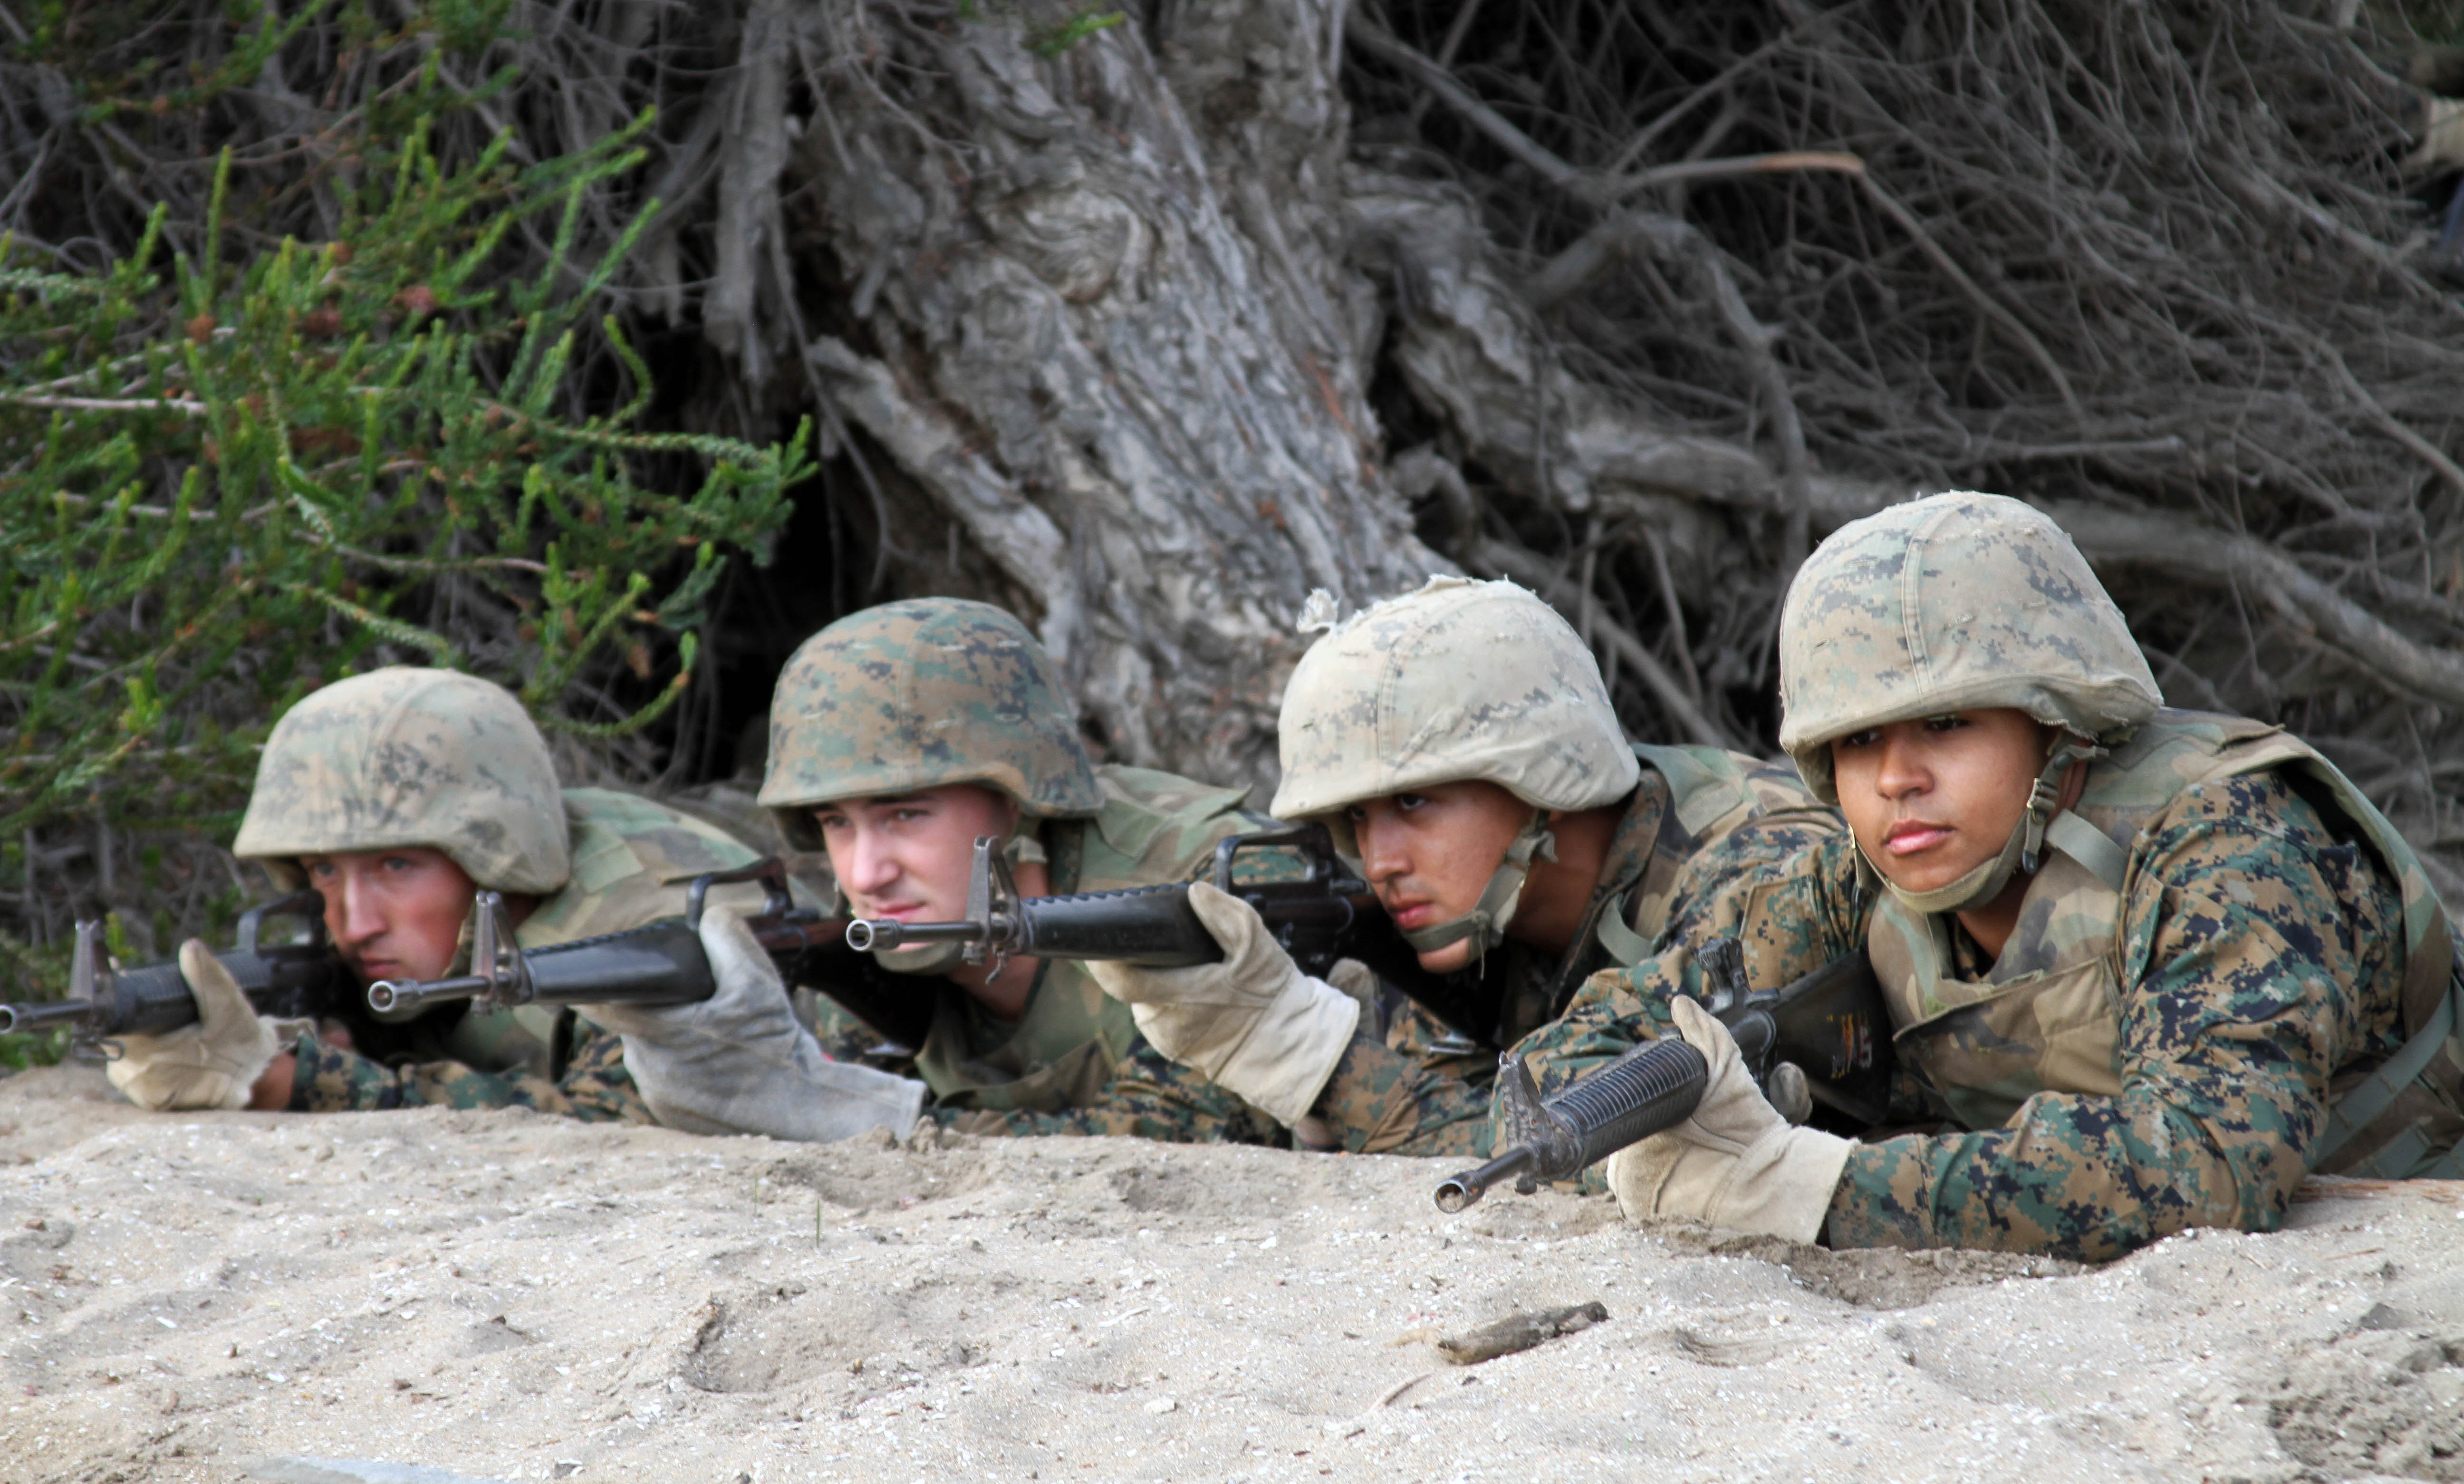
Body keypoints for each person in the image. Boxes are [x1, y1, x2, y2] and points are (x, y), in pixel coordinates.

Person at [1521, 491, 2464, 1262]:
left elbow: (2206, 1170)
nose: (1897, 779)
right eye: (1857, 741)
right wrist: (1689, 1124)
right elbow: (1571, 1063)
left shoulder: (2230, 843)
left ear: (2057, 723)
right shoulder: (1849, 884)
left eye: (1945, 725)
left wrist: (1812, 1184)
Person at [1085, 576, 1838, 1155]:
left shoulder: (1752, 879)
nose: (1379, 862)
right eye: (1356, 820)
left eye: (1413, 804)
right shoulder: (1481, 916)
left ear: (1546, 779)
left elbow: (1548, 1155)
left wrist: (1312, 1057)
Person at [103, 666, 923, 1140]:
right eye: (321, 870)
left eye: (395, 865)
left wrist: (305, 1083)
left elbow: (616, 1121)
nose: (353, 921)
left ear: (494, 852)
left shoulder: (645, 931)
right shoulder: (440, 928)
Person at [736, 597, 1308, 1142]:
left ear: (1019, 802)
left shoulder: (1192, 889)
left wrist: (855, 1119)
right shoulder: (875, 949)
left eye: (906, 815)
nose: (865, 875)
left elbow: (1188, 1132)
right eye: (836, 822)